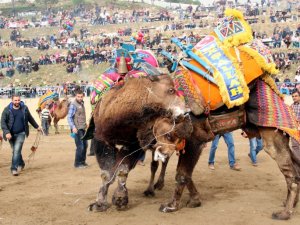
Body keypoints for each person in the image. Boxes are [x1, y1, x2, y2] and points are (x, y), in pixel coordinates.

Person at [1, 95, 41, 176]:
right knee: (15, 151)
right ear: (12, 101)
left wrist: (37, 126)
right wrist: (6, 132)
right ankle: (21, 163)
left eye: (18, 100)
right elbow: (3, 122)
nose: (17, 102)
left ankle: (14, 168)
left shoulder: (24, 108)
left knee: (16, 151)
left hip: (21, 133)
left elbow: (30, 118)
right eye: (15, 100)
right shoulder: (7, 109)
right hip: (10, 134)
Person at [67, 89, 88, 168]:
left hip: (83, 127)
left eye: (81, 97)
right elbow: (69, 117)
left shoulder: (82, 103)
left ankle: (82, 161)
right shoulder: (73, 104)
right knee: (80, 146)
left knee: (85, 145)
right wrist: (73, 127)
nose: (80, 98)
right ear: (76, 96)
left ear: (83, 96)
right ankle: (77, 163)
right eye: (78, 97)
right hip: (77, 129)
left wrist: (85, 123)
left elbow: (80, 115)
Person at [291, 90, 300, 162]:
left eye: (296, 96)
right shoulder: (291, 106)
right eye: (293, 96)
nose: (294, 98)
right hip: (295, 130)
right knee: (295, 146)